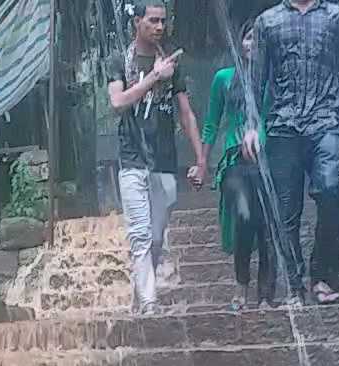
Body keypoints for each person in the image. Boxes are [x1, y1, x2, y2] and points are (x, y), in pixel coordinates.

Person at [250, 0, 339, 305]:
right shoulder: (267, 21)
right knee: (286, 211)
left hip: (325, 122)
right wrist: (251, 126)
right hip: (282, 124)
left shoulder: (337, 18)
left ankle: (322, 277)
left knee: (330, 190)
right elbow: (255, 80)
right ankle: (294, 285)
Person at [106, 2, 205, 314]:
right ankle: (149, 304)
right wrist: (152, 77)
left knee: (157, 236)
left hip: (164, 161)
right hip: (132, 159)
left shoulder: (172, 62)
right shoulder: (119, 60)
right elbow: (118, 102)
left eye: (163, 21)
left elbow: (186, 114)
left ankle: (142, 290)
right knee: (141, 234)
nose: (160, 26)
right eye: (153, 21)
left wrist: (201, 159)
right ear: (137, 22)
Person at [200, 20, 275, 309]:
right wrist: (202, 161)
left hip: (268, 161)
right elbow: (211, 122)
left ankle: (266, 294)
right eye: (248, 38)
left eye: (259, 39)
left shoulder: (272, 77)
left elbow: (274, 117)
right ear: (239, 42)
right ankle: (241, 286)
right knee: (245, 218)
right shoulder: (223, 78)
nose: (252, 44)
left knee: (268, 226)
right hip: (234, 161)